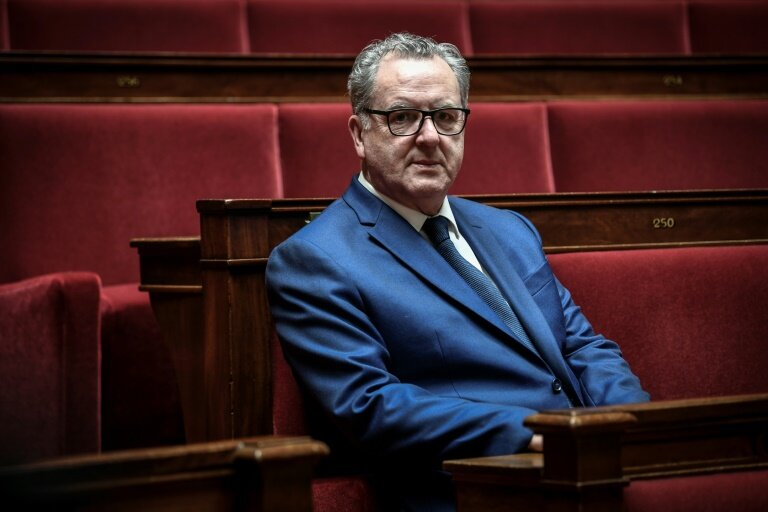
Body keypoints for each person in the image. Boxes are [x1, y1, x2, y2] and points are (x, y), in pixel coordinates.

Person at [266, 32, 649, 511]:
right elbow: (369, 405)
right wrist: (536, 435)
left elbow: (580, 344)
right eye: (402, 117)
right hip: (478, 489)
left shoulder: (508, 230)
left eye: (446, 117)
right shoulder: (314, 260)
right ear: (360, 133)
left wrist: (633, 423)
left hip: (593, 471)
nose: (429, 137)